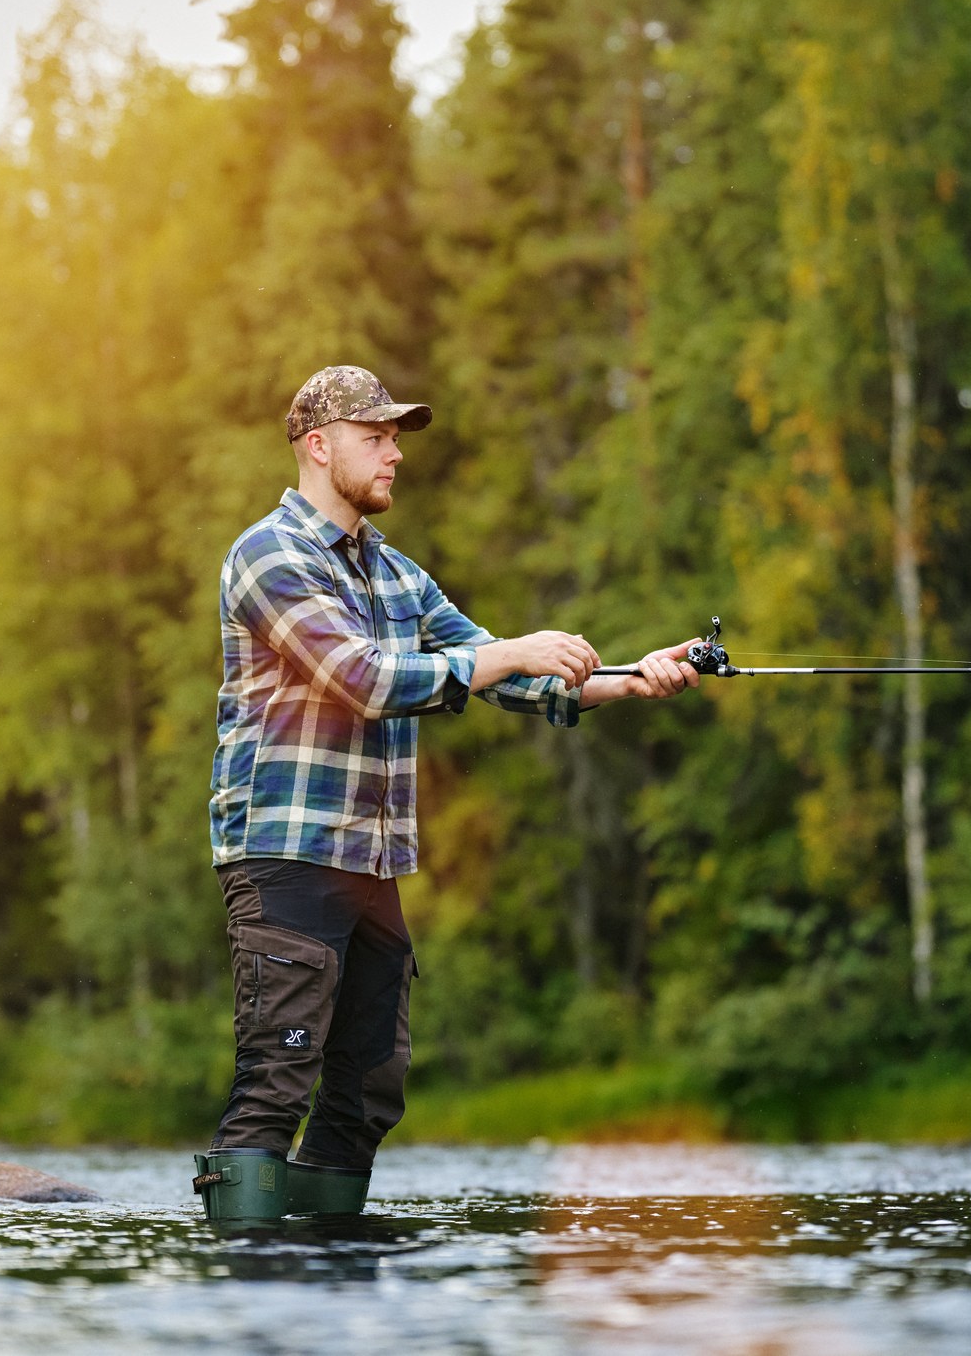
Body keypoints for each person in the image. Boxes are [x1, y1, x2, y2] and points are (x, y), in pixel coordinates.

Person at [192, 365, 699, 1220]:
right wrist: (511, 653)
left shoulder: (397, 574)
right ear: (319, 446)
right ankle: (252, 1297)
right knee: (276, 1080)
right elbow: (364, 678)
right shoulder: (266, 556)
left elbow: (500, 672)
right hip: (284, 858)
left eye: (397, 438)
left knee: (368, 1092)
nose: (394, 454)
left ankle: (326, 1269)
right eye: (376, 437)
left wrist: (630, 679)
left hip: (370, 862)